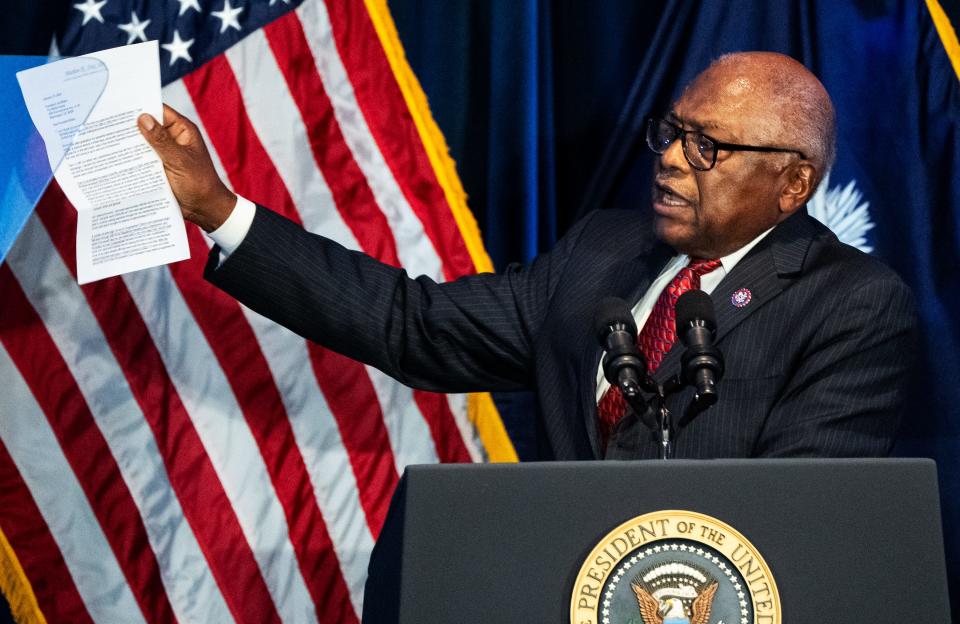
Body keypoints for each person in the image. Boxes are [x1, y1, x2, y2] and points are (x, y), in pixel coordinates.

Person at [137, 51, 916, 460]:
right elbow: (412, 324)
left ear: (793, 184)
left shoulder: (852, 302)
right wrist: (219, 209)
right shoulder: (603, 251)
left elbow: (801, 514)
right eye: (673, 132)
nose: (672, 159)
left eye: (707, 146)